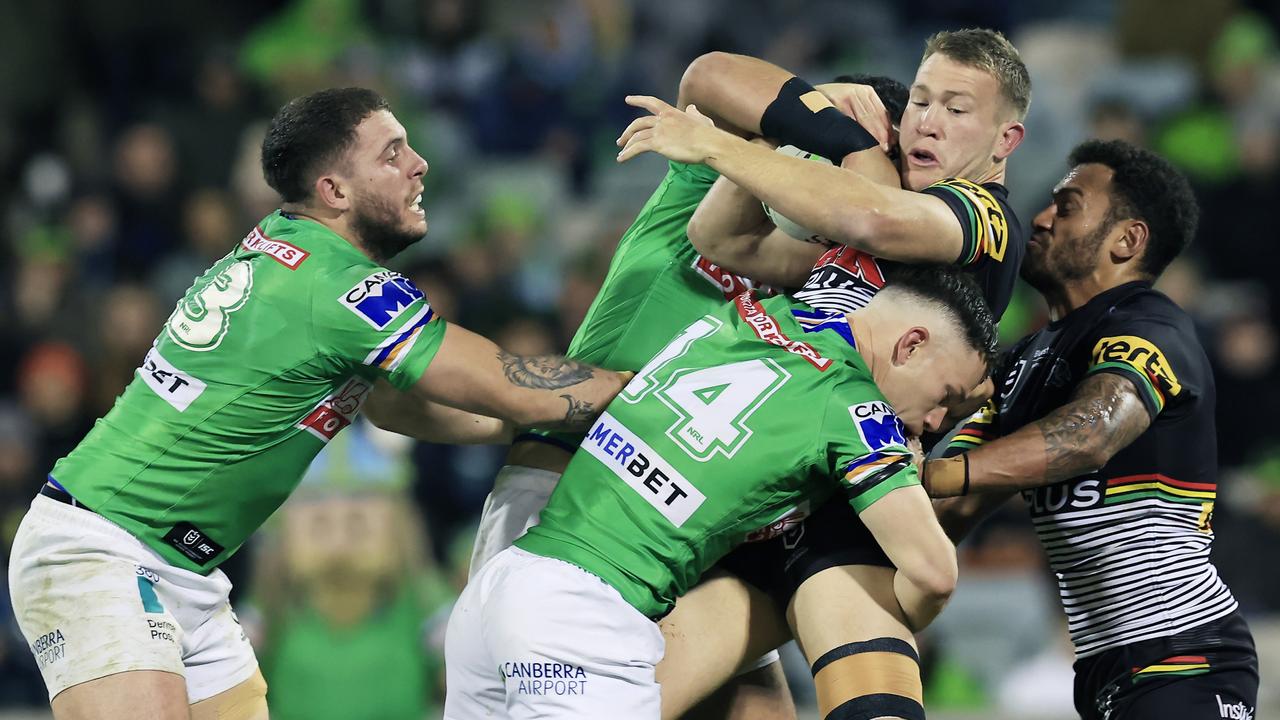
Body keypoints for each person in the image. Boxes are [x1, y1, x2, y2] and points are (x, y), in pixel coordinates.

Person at [6, 87, 631, 720]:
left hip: (182, 571)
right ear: (334, 191)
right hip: (104, 550)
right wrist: (651, 385)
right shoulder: (340, 287)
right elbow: (508, 381)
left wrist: (535, 428)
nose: (420, 164)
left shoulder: (287, 245)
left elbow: (396, 409)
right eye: (392, 154)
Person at [614, 29, 1033, 717]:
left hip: (851, 509)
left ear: (1005, 141)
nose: (927, 120)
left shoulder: (983, 219)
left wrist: (721, 144)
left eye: (957, 110)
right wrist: (783, 139)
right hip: (750, 496)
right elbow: (722, 239)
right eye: (921, 100)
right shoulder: (848, 244)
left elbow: (874, 215)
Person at [445, 266, 999, 720]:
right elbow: (933, 572)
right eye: (944, 396)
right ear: (911, 344)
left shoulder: (750, 312)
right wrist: (914, 610)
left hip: (501, 586)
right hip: (582, 615)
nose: (932, 421)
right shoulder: (851, 404)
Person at [929, 139, 1259, 719]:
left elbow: (1089, 434)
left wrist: (930, 473)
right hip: (1103, 669)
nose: (1040, 216)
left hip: (1185, 660)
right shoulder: (1028, 358)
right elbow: (954, 505)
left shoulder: (1152, 325)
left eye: (1068, 206)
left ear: (1127, 241)